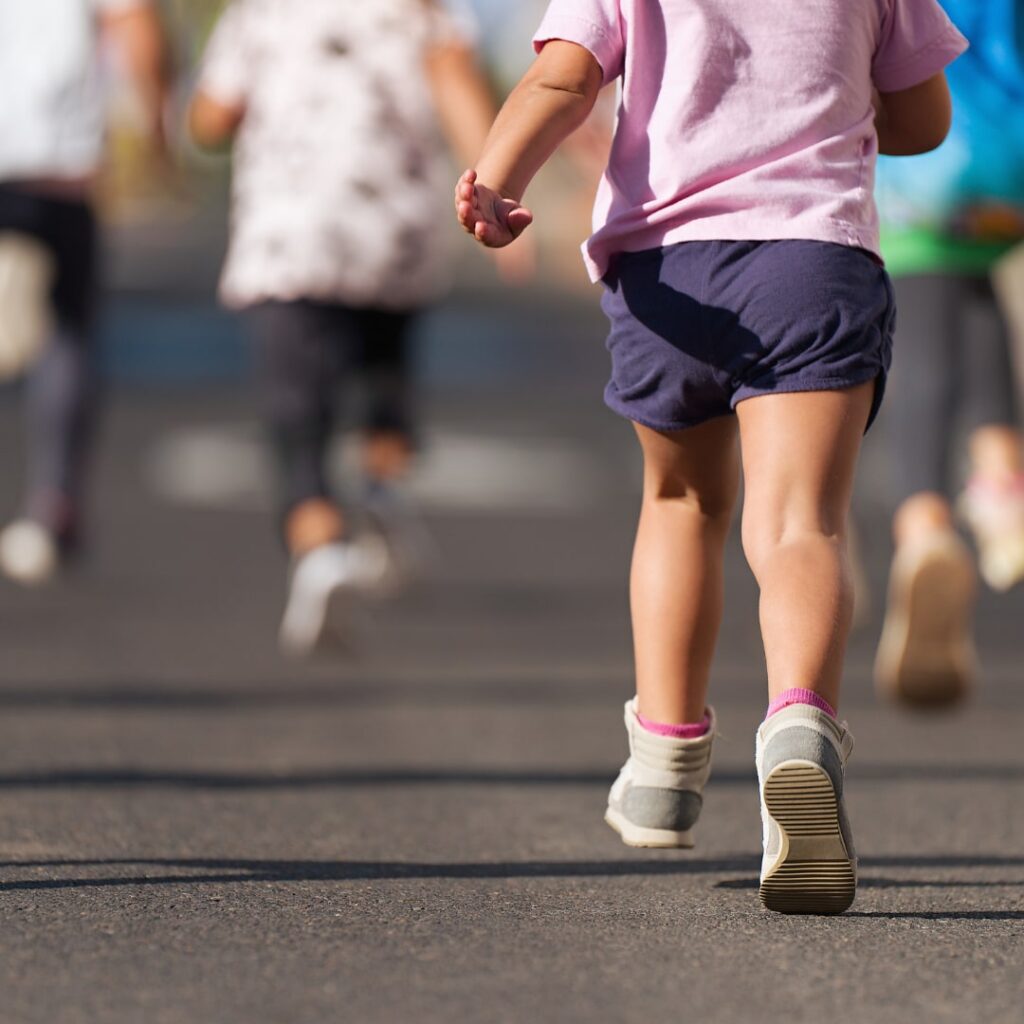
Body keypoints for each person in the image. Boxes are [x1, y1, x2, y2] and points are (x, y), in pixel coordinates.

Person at [456, 0, 966, 913]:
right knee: (800, 522)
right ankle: (801, 722)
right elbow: (923, 122)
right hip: (813, 260)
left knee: (682, 504)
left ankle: (664, 760)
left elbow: (563, 78)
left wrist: (496, 180)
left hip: (669, 271)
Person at [189, 0, 509, 656]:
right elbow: (456, 84)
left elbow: (212, 118)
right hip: (389, 229)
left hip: (290, 234)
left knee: (295, 410)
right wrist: (501, 189)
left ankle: (321, 549)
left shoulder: (261, 12)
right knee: (383, 374)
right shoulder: (421, 8)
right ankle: (382, 493)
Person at [873, 0, 1024, 707]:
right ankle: (1002, 483)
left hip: (925, 165)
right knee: (976, 282)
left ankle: (926, 523)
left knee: (923, 333)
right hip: (1008, 165)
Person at [0, 0, 169, 584]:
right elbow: (135, 25)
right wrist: (156, 127)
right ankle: (52, 505)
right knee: (68, 331)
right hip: (58, 160)